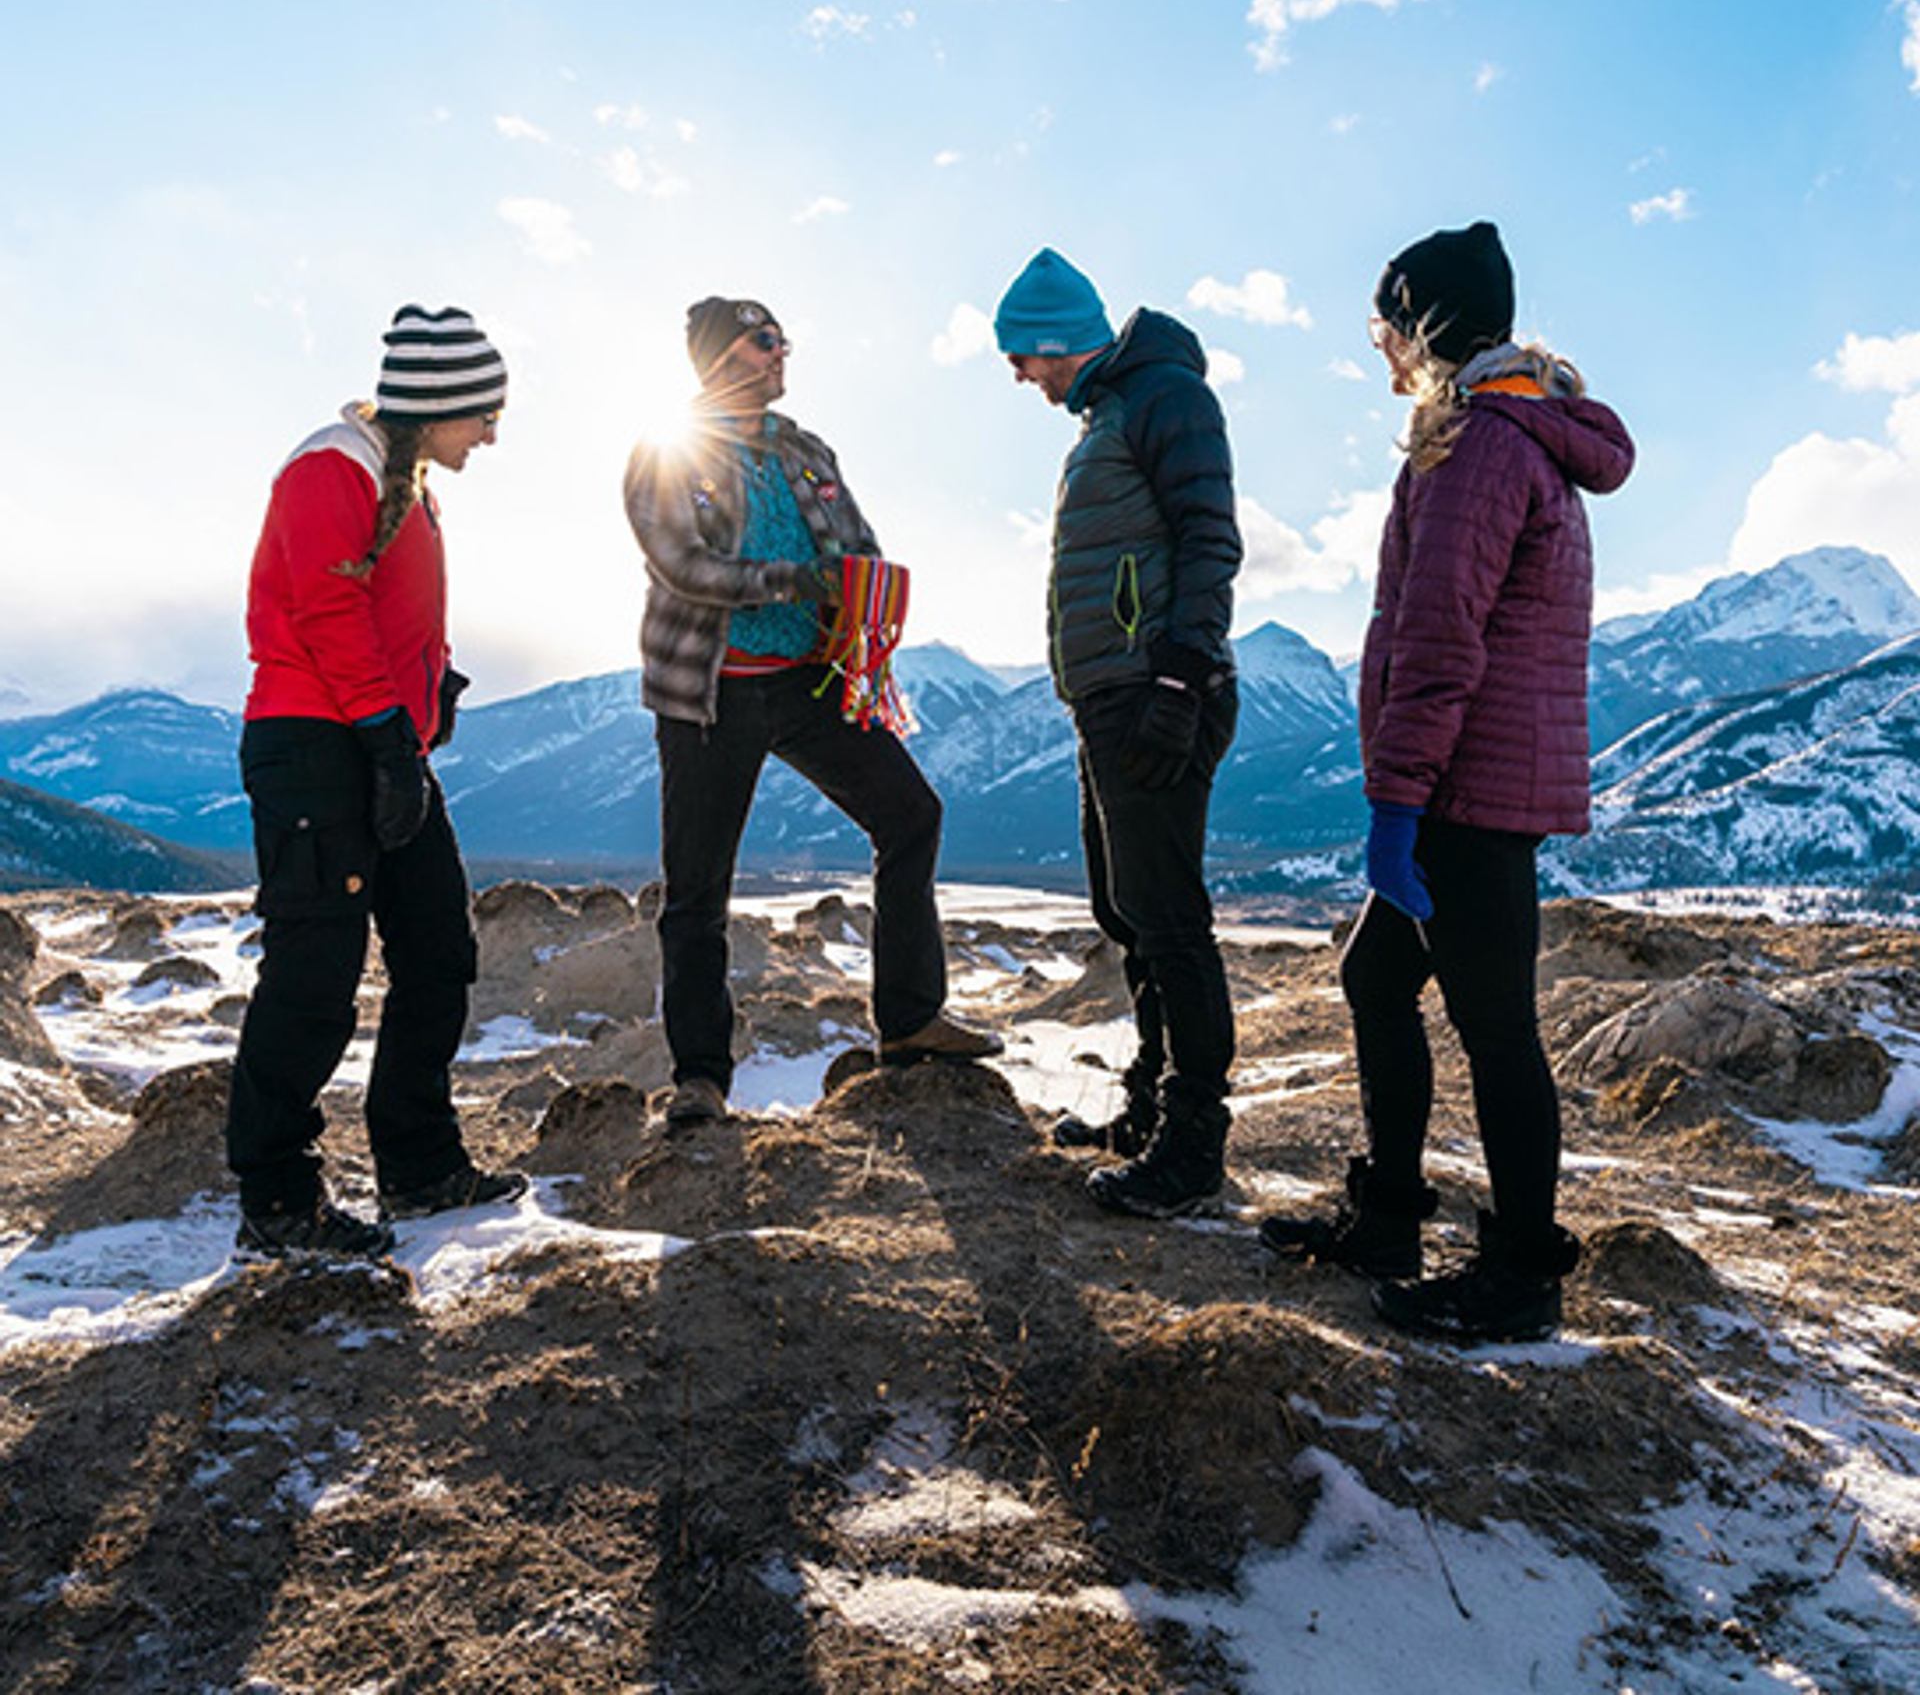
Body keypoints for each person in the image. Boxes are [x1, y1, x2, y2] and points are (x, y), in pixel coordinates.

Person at [1259, 221, 1634, 1342]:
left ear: (1423, 328)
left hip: (1466, 791)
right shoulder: (1519, 433)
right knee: (1378, 976)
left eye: (1384, 328)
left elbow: (1438, 640)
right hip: (1474, 783)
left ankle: (1522, 1272)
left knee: (1497, 1028)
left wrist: (1397, 802)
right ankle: (1389, 1216)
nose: (1378, 353)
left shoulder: (1477, 445)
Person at [623, 295, 1001, 1128]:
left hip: (813, 679)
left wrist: (866, 590)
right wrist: (793, 581)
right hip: (710, 692)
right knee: (698, 886)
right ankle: (699, 1077)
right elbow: (682, 564)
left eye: (782, 339)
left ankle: (907, 1023)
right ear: (722, 358)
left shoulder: (805, 449)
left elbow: (856, 539)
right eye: (764, 342)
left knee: (911, 814)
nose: (781, 353)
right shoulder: (664, 451)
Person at [227, 304, 530, 1260]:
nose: (490, 433)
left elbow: (378, 606)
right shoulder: (334, 463)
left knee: (439, 949)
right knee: (315, 974)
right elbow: (322, 605)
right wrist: (387, 735)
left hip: (384, 741)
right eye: (482, 413)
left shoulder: (411, 482)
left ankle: (417, 1164)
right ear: (435, 403)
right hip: (316, 743)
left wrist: (426, 699)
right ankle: (278, 1203)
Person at [995, 249, 1242, 1218]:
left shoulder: (1166, 397)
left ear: (1058, 341)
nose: (1021, 376)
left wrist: (1180, 674)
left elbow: (1209, 534)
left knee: (1171, 918)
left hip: (1158, 690)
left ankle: (1194, 1144)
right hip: (1109, 697)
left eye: (1024, 356)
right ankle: (1150, 1107)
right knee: (1126, 910)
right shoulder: (1108, 411)